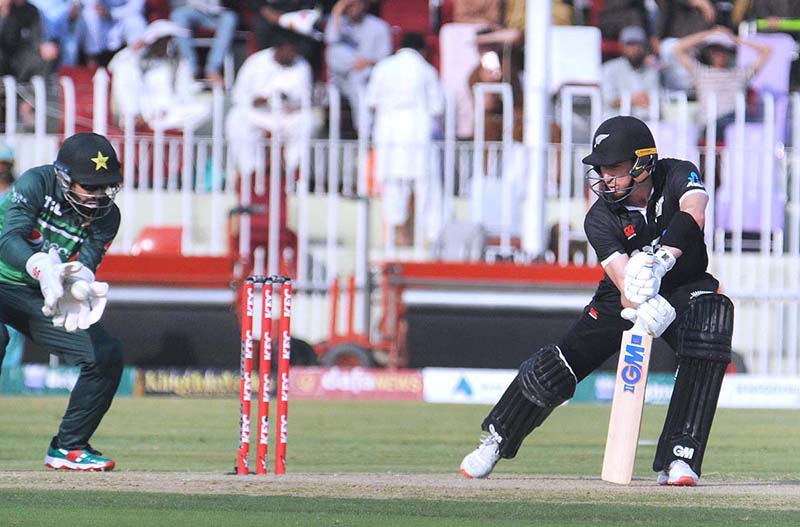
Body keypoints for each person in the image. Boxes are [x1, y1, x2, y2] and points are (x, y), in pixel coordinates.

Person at [460, 115, 735, 487]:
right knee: (560, 364)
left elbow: (695, 213)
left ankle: (680, 457)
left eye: (615, 169)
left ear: (643, 163)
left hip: (685, 282)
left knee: (710, 328)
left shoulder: (677, 174)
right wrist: (642, 302)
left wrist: (663, 260)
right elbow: (623, 281)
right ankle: (496, 439)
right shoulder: (599, 217)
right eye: (602, 169)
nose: (605, 178)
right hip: (623, 294)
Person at [0, 132, 124, 471]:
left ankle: (68, 447)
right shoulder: (37, 183)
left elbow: (88, 261)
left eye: (106, 187)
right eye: (90, 187)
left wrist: (79, 284)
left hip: (40, 296)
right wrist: (40, 266)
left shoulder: (108, 216)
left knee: (105, 355)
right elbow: (9, 239)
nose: (99, 196)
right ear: (64, 177)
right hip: (11, 277)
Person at [366, 33, 444, 249]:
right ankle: (432, 239)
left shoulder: (383, 68)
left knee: (393, 189)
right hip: (418, 136)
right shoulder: (426, 70)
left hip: (389, 136)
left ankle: (397, 241)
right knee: (428, 189)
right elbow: (437, 106)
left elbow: (371, 101)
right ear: (422, 50)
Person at [225, 35, 316, 180]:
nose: (292, 55)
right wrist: (256, 100)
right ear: (278, 49)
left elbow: (305, 98)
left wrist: (294, 105)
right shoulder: (255, 62)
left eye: (294, 52)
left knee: (307, 120)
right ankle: (249, 172)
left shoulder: (301, 66)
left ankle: (293, 172)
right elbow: (238, 95)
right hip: (258, 113)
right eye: (289, 51)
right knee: (237, 118)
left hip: (287, 115)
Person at [107, 19, 210, 132]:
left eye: (168, 40)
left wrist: (167, 110)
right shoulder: (136, 62)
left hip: (170, 112)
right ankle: (147, 122)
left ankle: (160, 125)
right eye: (162, 41)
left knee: (203, 109)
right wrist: (135, 47)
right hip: (145, 111)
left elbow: (184, 92)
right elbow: (115, 66)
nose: (165, 45)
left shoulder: (177, 63)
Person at [673, 26, 771, 139]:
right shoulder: (701, 72)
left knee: (751, 126)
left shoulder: (740, 73)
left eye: (724, 51)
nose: (720, 55)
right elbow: (678, 48)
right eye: (716, 51)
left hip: (738, 120)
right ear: (709, 53)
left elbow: (766, 51)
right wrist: (709, 34)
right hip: (713, 123)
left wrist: (733, 38)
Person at [324, 0, 391, 131]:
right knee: (334, 50)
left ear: (364, 5)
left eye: (355, 4)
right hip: (342, 77)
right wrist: (337, 10)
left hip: (369, 78)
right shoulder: (341, 23)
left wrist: (366, 62)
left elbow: (385, 60)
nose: (351, 9)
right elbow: (330, 40)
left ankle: (365, 130)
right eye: (348, 6)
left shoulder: (379, 26)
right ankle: (364, 129)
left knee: (358, 77)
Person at [170, 0, 239, 86]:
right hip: (192, 11)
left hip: (217, 14)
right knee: (178, 15)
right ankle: (191, 69)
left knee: (230, 18)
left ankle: (213, 70)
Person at [0, 141, 24, 371]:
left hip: (9, 267)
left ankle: (10, 375)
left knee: (13, 326)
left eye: (5, 164)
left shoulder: (18, 195)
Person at [601, 25, 660, 120]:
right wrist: (632, 100)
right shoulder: (609, 68)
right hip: (615, 122)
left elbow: (655, 98)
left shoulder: (651, 70)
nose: (635, 49)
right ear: (622, 46)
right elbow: (609, 100)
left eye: (638, 44)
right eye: (630, 44)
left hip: (645, 122)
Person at [82, 0, 147, 66]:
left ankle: (139, 64)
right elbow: (88, 3)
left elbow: (136, 7)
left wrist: (112, 13)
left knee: (136, 22)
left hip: (122, 17)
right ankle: (92, 63)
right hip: (100, 18)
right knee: (89, 15)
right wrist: (99, 8)